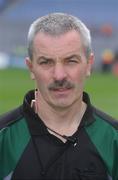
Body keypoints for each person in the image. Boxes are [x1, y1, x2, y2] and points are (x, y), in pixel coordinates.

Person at [0, 13, 118, 180]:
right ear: (31, 67)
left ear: (89, 65)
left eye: (71, 61)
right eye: (46, 62)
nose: (59, 75)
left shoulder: (114, 140)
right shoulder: (4, 139)